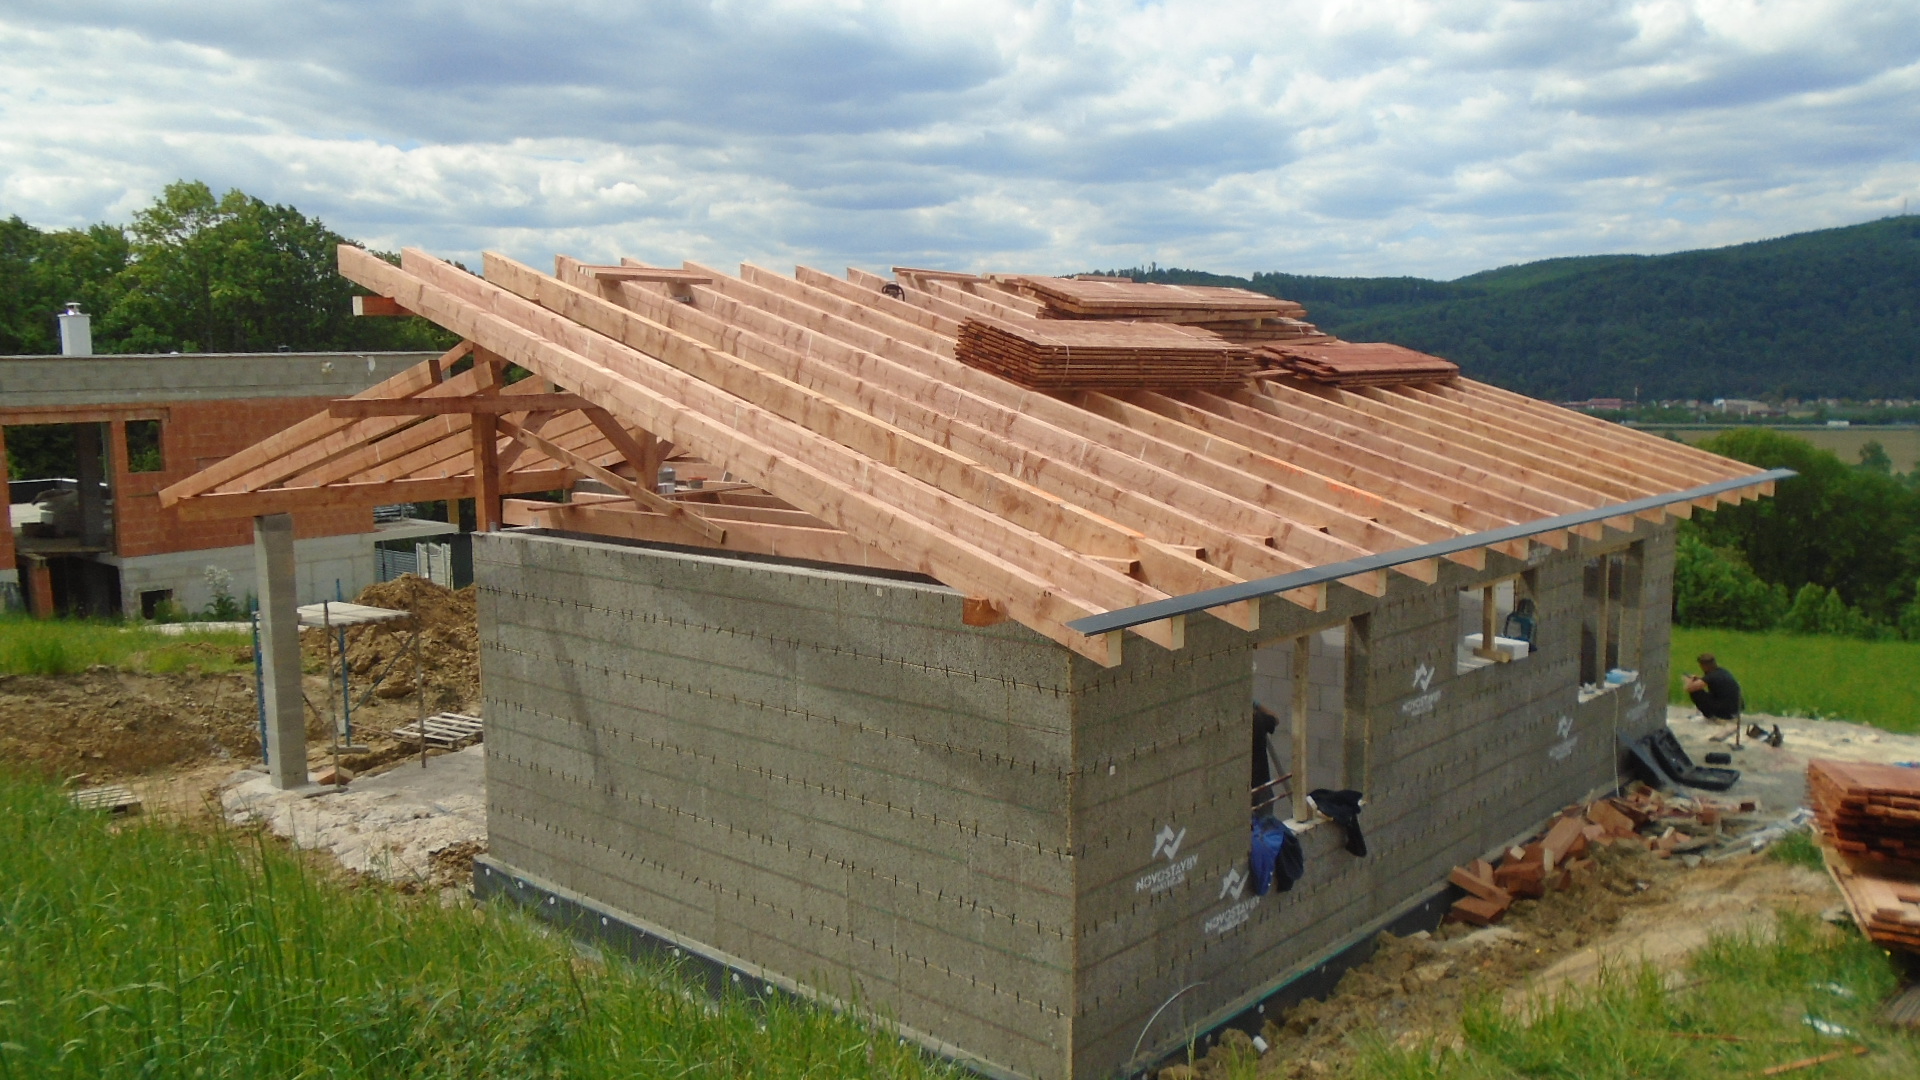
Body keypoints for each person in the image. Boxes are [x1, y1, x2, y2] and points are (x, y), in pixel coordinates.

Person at [1683, 653, 1743, 721]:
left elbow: (1689, 688)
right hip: (1736, 709)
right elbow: (1709, 680)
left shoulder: (1712, 676)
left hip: (1726, 711)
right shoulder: (1722, 671)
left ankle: (1711, 716)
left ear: (1704, 666)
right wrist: (1699, 679)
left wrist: (1689, 681)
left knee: (1695, 692)